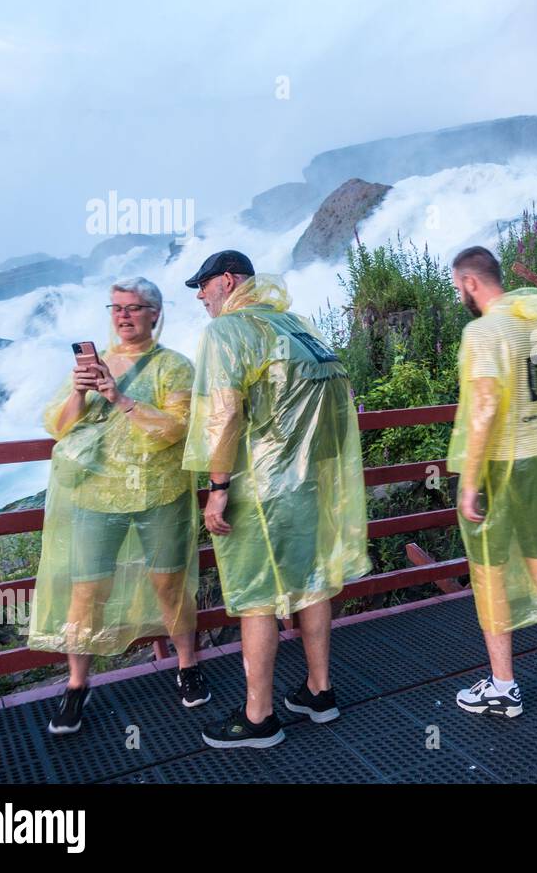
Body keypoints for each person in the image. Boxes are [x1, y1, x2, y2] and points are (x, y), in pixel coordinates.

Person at [182, 250, 370, 748]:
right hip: (309, 485)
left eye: (202, 285)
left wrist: (218, 488)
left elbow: (221, 416)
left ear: (226, 281)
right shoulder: (298, 329)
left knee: (257, 598)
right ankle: (318, 692)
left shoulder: (227, 332)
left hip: (261, 488)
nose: (200, 296)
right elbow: (336, 404)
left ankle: (258, 718)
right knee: (312, 584)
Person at [32, 277, 207, 735]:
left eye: (134, 307)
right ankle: (76, 685)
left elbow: (177, 430)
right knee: (86, 591)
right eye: (116, 308)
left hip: (159, 493)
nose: (123, 315)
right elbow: (59, 427)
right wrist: (79, 392)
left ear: (155, 313)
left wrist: (120, 398)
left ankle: (187, 665)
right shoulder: (94, 366)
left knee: (169, 585)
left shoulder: (175, 367)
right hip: (95, 496)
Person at [447, 247, 537, 718]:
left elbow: (485, 409)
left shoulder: (483, 331)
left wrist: (470, 481)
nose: (460, 296)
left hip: (503, 466)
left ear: (471, 283)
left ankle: (503, 687)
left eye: (457, 288)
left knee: (490, 573)